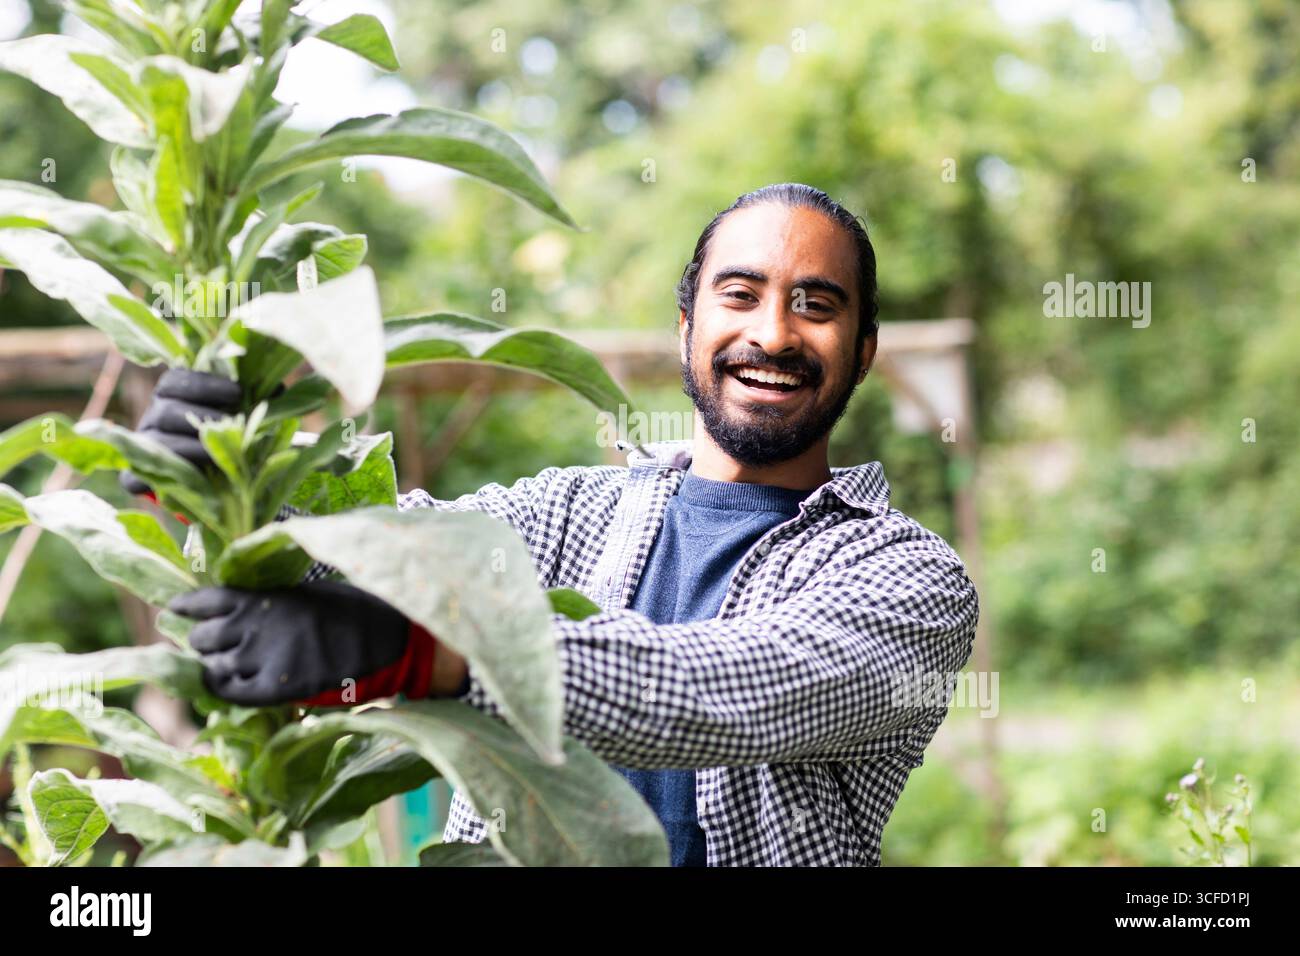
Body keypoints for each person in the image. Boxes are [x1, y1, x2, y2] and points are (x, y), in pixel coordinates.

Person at [133, 183, 979, 866]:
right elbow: (367, 559)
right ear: (687, 327)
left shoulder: (909, 579)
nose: (772, 332)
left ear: (863, 352)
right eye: (741, 294)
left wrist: (438, 650)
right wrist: (212, 484)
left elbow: (721, 691)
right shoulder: (571, 510)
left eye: (816, 305)